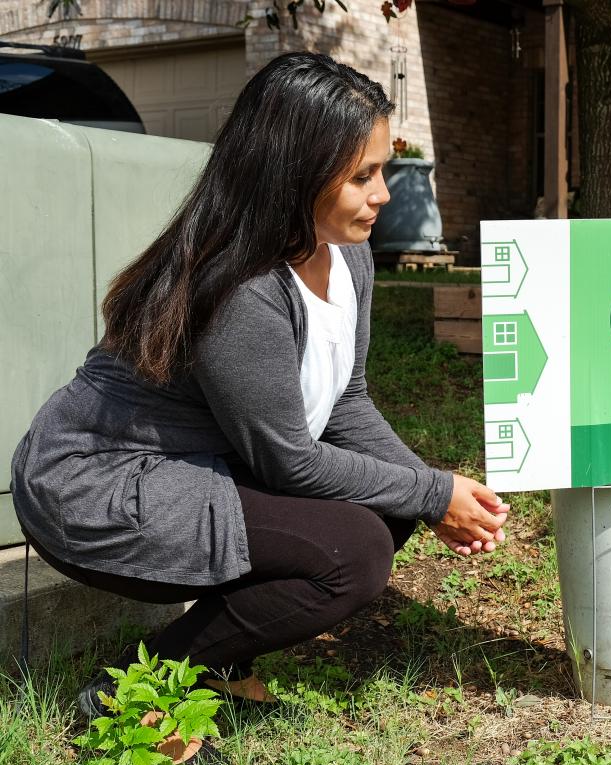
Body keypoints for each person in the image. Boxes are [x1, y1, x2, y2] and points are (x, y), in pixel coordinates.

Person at [8, 52, 508, 727]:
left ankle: (221, 661)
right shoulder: (242, 288)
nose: (383, 195)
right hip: (96, 484)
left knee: (386, 504)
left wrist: (427, 487)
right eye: (362, 176)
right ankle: (135, 687)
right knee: (355, 552)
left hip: (198, 462)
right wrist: (431, 492)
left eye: (382, 169)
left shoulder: (347, 254)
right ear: (294, 173)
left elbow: (347, 402)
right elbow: (289, 463)